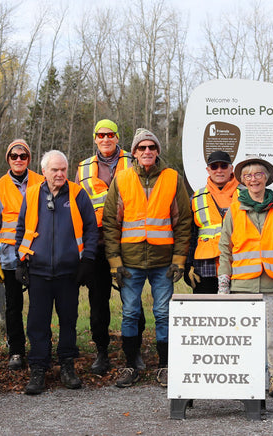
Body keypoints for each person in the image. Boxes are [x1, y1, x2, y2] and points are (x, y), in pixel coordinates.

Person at [103, 128, 192, 388]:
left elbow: (183, 221)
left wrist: (179, 259)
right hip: (129, 262)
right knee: (130, 314)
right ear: (134, 152)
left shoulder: (172, 178)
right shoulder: (122, 179)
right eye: (141, 148)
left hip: (163, 262)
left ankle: (165, 366)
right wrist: (114, 262)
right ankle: (131, 366)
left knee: (163, 314)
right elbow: (110, 223)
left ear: (157, 151)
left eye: (151, 148)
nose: (147, 152)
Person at [15, 150, 99, 395]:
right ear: (44, 171)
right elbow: (21, 230)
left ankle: (67, 366)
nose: (60, 173)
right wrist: (20, 262)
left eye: (63, 169)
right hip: (38, 272)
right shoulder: (31, 194)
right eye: (55, 170)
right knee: (37, 323)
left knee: (68, 322)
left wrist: (88, 261)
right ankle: (39, 368)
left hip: (69, 272)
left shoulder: (78, 194)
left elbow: (92, 230)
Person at [217, 157, 273, 398]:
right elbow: (225, 249)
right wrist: (224, 283)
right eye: (249, 176)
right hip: (242, 285)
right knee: (242, 334)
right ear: (242, 180)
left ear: (266, 178)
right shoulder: (234, 210)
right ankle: (247, 376)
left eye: (258, 175)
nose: (254, 179)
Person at [75, 119, 146, 375]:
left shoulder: (135, 160)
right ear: (95, 138)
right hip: (97, 245)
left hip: (128, 242)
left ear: (118, 137)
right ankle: (101, 353)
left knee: (132, 300)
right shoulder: (82, 168)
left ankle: (134, 351)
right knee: (98, 303)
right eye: (101, 135)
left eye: (110, 134)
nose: (106, 139)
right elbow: (76, 208)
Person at [0, 139, 45, 371]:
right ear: (8, 159)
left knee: (40, 306)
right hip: (10, 258)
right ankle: (17, 351)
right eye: (14, 156)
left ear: (29, 159)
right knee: (13, 307)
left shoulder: (42, 181)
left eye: (23, 156)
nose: (18, 159)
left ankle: (41, 348)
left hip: (38, 256)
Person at [185, 150, 240, 294]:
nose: (219, 170)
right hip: (205, 268)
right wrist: (187, 265)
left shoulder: (245, 195)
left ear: (231, 168)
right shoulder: (197, 197)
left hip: (238, 265)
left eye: (224, 166)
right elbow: (190, 234)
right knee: (206, 313)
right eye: (214, 166)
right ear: (208, 170)